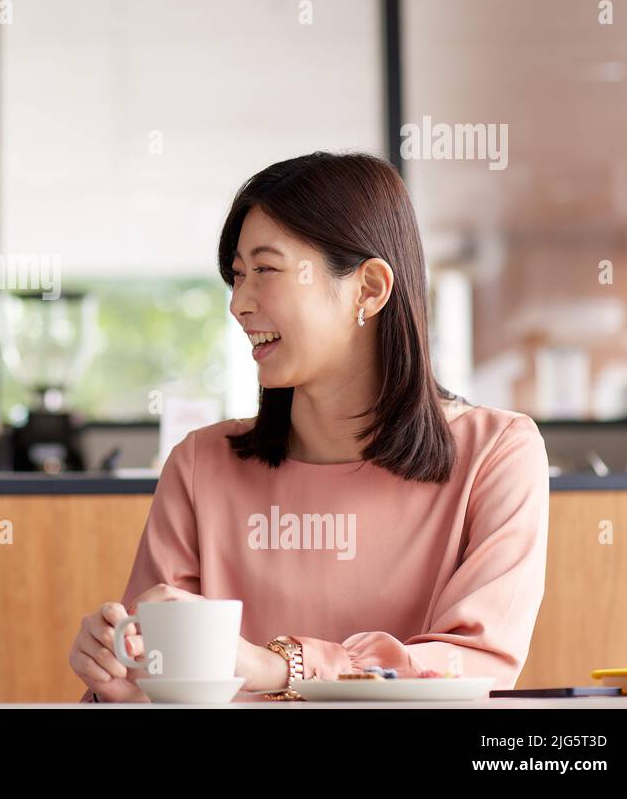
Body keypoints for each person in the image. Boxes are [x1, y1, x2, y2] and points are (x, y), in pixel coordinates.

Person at [68, 152, 549, 702]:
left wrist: (280, 666)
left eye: (266, 270)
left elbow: (475, 665)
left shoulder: (497, 454)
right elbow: (162, 684)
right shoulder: (200, 464)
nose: (238, 304)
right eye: (237, 276)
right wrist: (117, 684)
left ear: (369, 289)